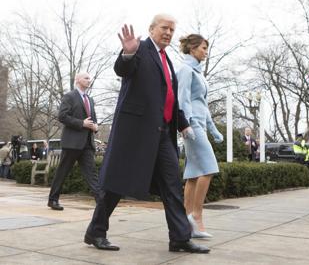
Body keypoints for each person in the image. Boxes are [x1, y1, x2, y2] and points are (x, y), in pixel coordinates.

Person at [84, 14, 209, 253]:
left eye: (172, 30)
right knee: (115, 184)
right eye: (164, 28)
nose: (168, 33)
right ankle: (96, 231)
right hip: (135, 133)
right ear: (151, 29)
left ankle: (180, 238)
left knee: (172, 183)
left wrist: (183, 123)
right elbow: (122, 69)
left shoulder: (166, 59)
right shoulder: (140, 48)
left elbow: (168, 97)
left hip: (162, 133)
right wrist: (128, 53)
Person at [176, 34, 223, 238]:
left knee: (194, 173)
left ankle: (186, 220)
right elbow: (182, 98)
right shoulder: (186, 70)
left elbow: (203, 104)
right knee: (209, 168)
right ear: (193, 48)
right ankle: (196, 216)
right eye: (203, 48)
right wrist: (184, 124)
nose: (206, 51)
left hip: (200, 124)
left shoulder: (198, 73)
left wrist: (213, 129)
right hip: (192, 124)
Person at [47, 72, 100, 211]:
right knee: (62, 172)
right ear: (77, 80)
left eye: (90, 78)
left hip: (87, 143)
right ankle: (53, 200)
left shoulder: (90, 99)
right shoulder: (69, 96)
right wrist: (81, 123)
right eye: (86, 78)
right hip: (72, 143)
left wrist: (95, 127)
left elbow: (93, 119)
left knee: (91, 173)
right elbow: (62, 116)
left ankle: (101, 201)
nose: (89, 80)